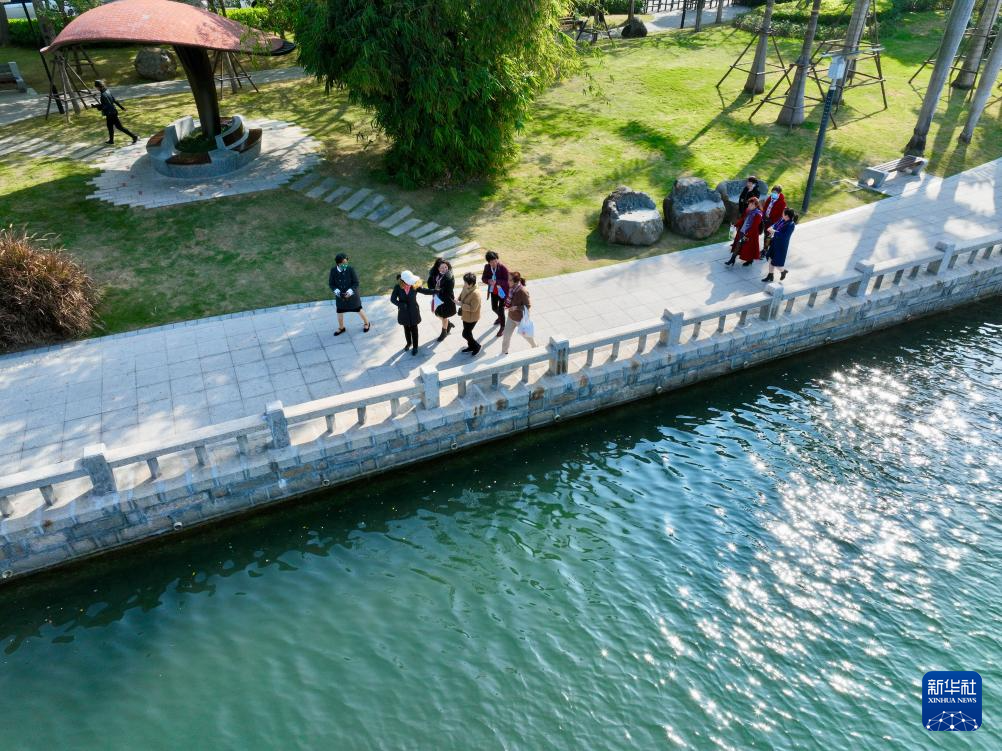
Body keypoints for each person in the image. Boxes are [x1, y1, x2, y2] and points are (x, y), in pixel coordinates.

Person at [328, 253, 370, 336]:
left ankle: (367, 323)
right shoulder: (333, 270)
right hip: (340, 297)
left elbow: (356, 283)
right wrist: (338, 293)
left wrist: (349, 292)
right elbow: (331, 284)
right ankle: (341, 328)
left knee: (359, 310)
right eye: (344, 263)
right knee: (339, 312)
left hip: (352, 296)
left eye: (346, 262)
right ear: (338, 263)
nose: (346, 264)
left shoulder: (350, 269)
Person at [418, 258, 457, 342]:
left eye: (446, 267)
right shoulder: (435, 275)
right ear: (438, 268)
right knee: (437, 313)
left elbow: (448, 291)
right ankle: (448, 324)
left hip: (446, 299)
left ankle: (444, 332)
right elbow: (431, 284)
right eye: (442, 268)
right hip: (437, 297)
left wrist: (438, 291)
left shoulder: (449, 277)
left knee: (444, 316)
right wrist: (433, 291)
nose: (444, 269)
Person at [501, 271, 537, 355]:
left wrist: (516, 307)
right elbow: (508, 298)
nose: (507, 281)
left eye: (510, 280)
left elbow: (528, 306)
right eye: (508, 279)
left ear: (515, 281)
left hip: (520, 319)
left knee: (527, 336)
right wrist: (507, 305)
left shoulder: (523, 292)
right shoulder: (510, 288)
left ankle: (535, 346)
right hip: (511, 317)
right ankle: (504, 352)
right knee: (506, 335)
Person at [95, 80, 138, 145]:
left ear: (98, 87)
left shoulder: (103, 95)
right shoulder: (107, 91)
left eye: (96, 87)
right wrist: (122, 108)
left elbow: (106, 106)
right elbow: (114, 100)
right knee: (110, 127)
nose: (96, 88)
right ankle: (111, 141)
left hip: (110, 114)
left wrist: (98, 107)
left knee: (119, 127)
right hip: (113, 112)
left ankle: (134, 136)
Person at [390, 271, 422, 356]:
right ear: (404, 281)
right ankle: (409, 343)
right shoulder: (397, 287)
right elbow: (392, 299)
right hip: (404, 312)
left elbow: (425, 291)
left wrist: (436, 291)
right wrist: (401, 304)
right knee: (406, 328)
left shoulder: (415, 285)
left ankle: (415, 347)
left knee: (414, 329)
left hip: (413, 311)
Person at [725, 196, 763, 267]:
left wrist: (747, 235)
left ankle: (750, 260)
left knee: (748, 248)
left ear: (756, 205)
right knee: (738, 245)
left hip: (750, 234)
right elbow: (743, 220)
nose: (749, 205)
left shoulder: (758, 214)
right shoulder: (748, 210)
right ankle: (732, 259)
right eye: (749, 204)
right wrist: (735, 225)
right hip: (742, 231)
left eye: (751, 204)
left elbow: (754, 227)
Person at [481, 250, 510, 338]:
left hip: (502, 292)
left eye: (495, 261)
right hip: (493, 291)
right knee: (494, 308)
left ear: (497, 259)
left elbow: (507, 282)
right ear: (488, 262)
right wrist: (488, 281)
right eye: (491, 262)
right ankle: (500, 317)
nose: (494, 263)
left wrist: (496, 281)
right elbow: (483, 278)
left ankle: (503, 327)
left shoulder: (503, 268)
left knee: (501, 310)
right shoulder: (487, 267)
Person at [763, 208, 797, 283]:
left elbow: (785, 236)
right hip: (774, 242)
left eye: (783, 213)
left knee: (776, 262)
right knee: (770, 258)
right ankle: (770, 275)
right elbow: (775, 224)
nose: (782, 214)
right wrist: (771, 227)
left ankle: (783, 271)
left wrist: (774, 231)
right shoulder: (782, 219)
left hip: (781, 246)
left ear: (787, 216)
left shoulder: (791, 225)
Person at [457, 272, 482, 355]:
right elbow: (462, 294)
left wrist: (461, 304)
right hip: (465, 315)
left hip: (472, 317)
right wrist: (458, 299)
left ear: (471, 284)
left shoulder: (476, 294)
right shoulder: (466, 286)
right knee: (468, 332)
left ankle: (476, 346)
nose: (464, 284)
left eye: (465, 282)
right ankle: (471, 346)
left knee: (465, 334)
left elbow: (473, 309)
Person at [761, 184, 787, 254]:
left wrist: (772, 221)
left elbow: (780, 216)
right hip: (766, 220)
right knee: (766, 235)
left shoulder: (782, 203)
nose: (773, 194)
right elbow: (765, 208)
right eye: (772, 192)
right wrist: (764, 216)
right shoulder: (770, 198)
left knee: (768, 237)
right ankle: (765, 249)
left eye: (775, 193)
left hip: (772, 223)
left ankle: (765, 250)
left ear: (779, 193)